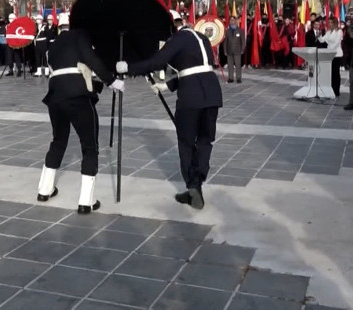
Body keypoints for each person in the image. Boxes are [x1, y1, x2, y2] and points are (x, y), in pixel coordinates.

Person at [116, 13, 223, 210]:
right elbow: (195, 68)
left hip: (191, 96)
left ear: (174, 26)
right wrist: (167, 86)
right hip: (212, 93)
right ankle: (197, 181)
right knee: (206, 140)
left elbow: (157, 62)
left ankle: (194, 186)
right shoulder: (202, 38)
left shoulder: (178, 38)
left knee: (186, 142)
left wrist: (128, 68)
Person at [36, 12, 125, 214]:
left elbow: (62, 69)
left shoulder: (56, 42)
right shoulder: (80, 36)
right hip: (77, 98)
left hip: (55, 96)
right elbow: (90, 59)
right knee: (89, 146)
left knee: (58, 141)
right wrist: (112, 81)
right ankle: (86, 201)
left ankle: (44, 189)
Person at [318, 17, 344, 98]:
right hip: (329, 55)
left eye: (331, 23)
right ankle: (331, 89)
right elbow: (322, 40)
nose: (329, 24)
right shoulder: (328, 32)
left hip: (337, 54)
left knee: (336, 73)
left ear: (335, 23)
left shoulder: (339, 31)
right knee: (330, 73)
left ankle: (336, 91)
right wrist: (319, 36)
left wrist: (330, 50)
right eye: (328, 23)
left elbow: (336, 43)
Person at [223, 15, 243, 83]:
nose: (232, 21)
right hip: (229, 51)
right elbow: (225, 42)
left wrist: (242, 49)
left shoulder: (240, 30)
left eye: (233, 20)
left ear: (236, 21)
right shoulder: (227, 31)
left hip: (237, 50)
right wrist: (225, 50)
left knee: (238, 65)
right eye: (231, 20)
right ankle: (230, 78)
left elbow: (243, 41)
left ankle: (238, 78)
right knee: (230, 66)